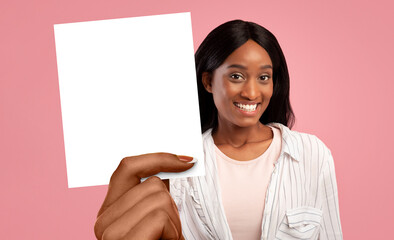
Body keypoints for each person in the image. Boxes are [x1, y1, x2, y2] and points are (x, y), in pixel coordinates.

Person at [94, 20, 343, 240]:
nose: (252, 93)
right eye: (236, 76)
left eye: (264, 78)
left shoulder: (313, 154)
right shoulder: (176, 170)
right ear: (208, 81)